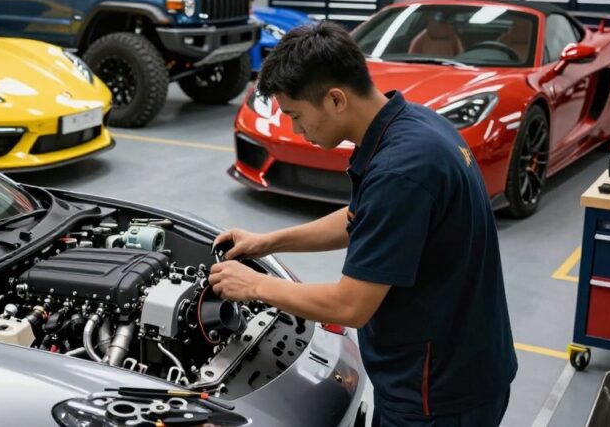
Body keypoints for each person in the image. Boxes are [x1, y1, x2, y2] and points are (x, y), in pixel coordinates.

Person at [209, 21, 517, 426]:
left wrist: (254, 286)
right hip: (465, 364)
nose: (296, 129)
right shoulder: (416, 125)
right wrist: (268, 242)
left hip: (436, 395)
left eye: (297, 115)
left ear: (336, 99)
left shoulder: (400, 171)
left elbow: (350, 305)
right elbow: (361, 218)